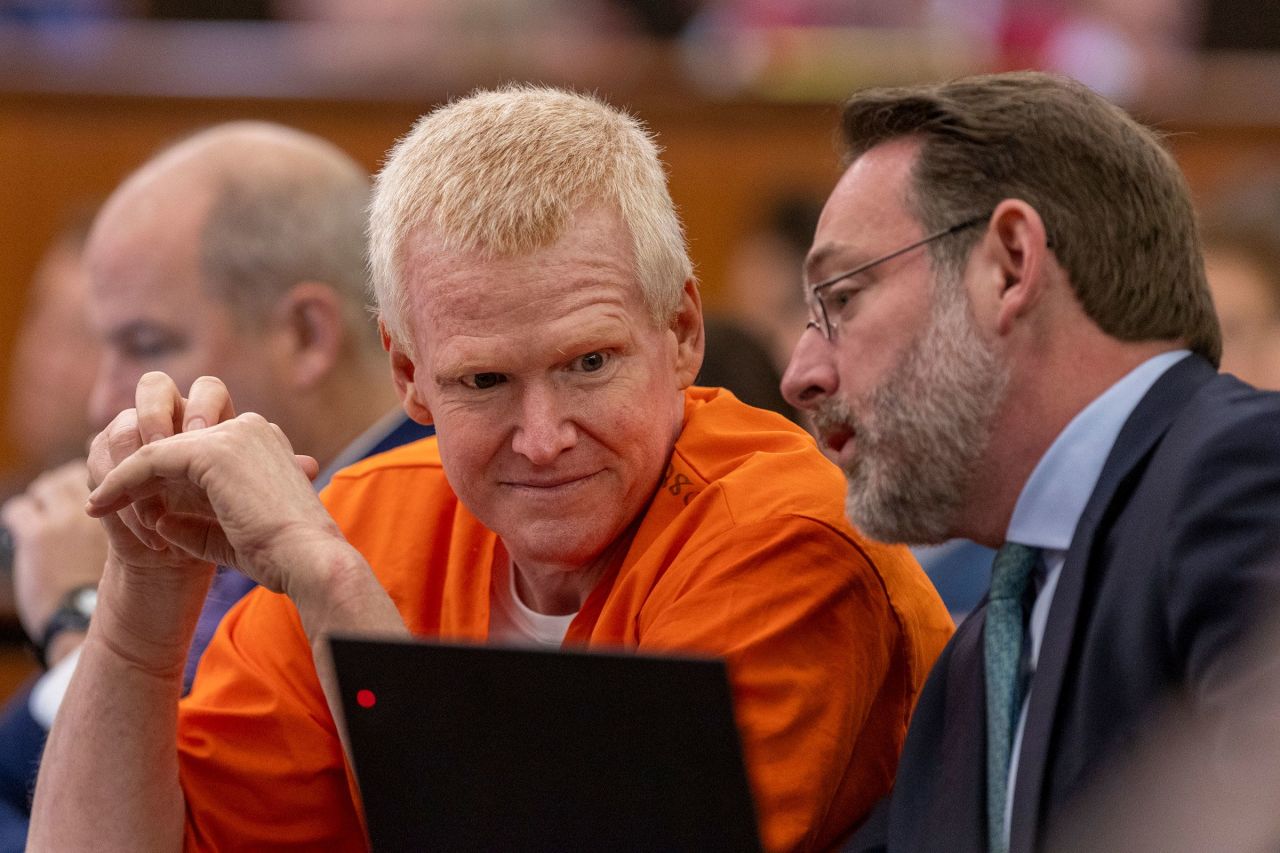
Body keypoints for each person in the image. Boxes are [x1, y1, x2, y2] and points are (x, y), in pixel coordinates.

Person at [30, 87, 953, 853]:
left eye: (589, 363)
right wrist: (140, 605)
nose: (543, 436)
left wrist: (330, 588)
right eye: (484, 381)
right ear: (409, 376)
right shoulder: (366, 518)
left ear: (681, 332)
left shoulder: (782, 538)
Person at [779, 71, 1280, 853]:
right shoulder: (975, 666)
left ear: (1009, 264)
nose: (801, 372)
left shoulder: (1240, 467)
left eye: (842, 298)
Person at [0, 121, 432, 851]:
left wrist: (80, 616)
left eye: (145, 345)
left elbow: (165, 803)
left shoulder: (416, 524)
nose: (103, 399)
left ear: (306, 334)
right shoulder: (233, 511)